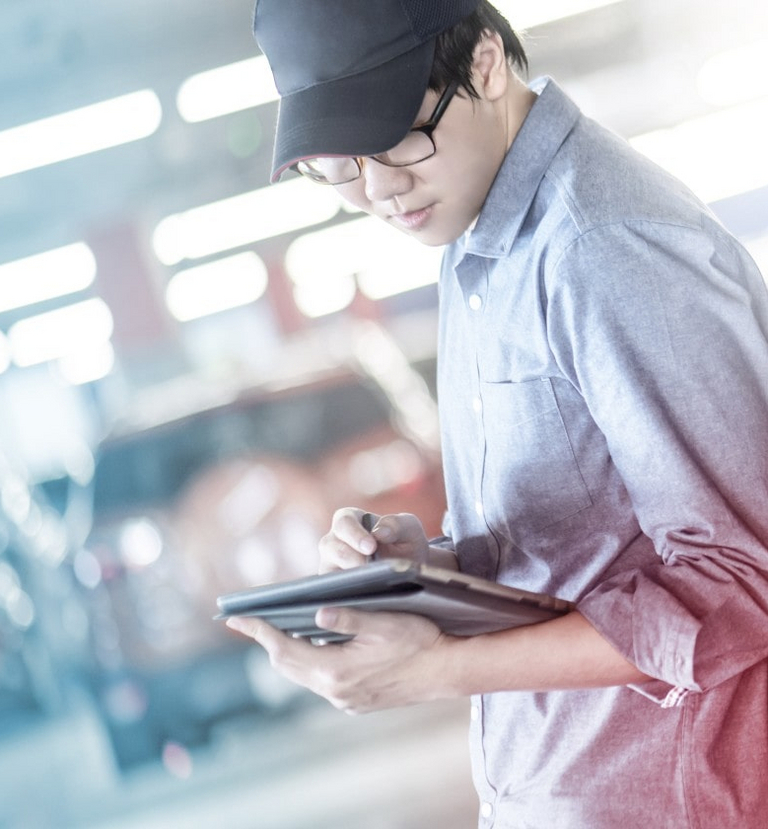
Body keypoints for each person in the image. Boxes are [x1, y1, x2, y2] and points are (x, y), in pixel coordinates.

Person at [226, 1, 768, 826]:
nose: (378, 190)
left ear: (484, 62)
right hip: (551, 789)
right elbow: (583, 544)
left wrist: (436, 670)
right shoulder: (474, 240)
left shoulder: (602, 244)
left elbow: (744, 581)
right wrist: (434, 563)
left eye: (398, 140)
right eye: (341, 167)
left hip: (668, 797)